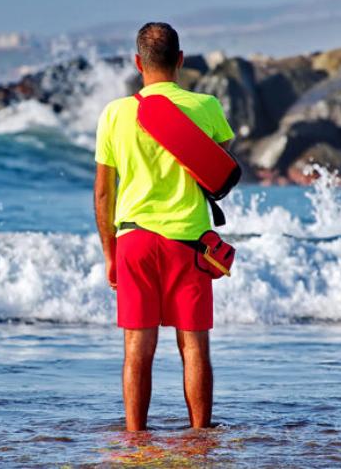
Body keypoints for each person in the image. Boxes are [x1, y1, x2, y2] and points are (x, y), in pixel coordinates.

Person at [94, 22, 234, 431]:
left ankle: (136, 438)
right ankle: (200, 436)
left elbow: (104, 194)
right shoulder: (206, 107)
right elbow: (219, 166)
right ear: (180, 60)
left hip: (134, 241)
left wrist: (109, 253)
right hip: (189, 243)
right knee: (194, 346)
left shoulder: (115, 114)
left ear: (138, 63)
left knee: (138, 347)